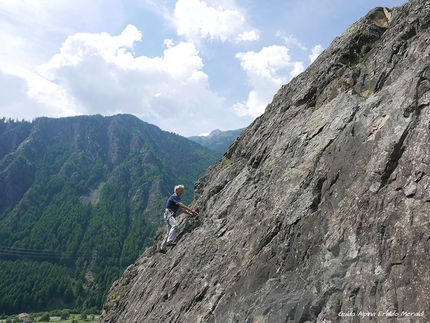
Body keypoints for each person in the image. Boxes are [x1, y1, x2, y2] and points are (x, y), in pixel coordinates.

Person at [159, 185, 198, 253]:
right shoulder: (174, 197)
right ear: (176, 190)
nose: (182, 192)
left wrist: (190, 214)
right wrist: (191, 210)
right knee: (175, 225)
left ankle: (162, 247)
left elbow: (181, 209)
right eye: (181, 191)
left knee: (169, 231)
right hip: (169, 213)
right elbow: (181, 205)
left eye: (182, 191)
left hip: (168, 214)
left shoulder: (176, 198)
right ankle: (169, 241)